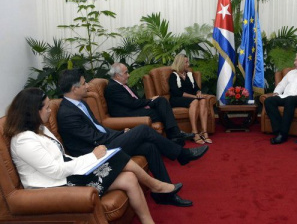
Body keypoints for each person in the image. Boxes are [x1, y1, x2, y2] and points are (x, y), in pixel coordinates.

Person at [5, 88, 184, 224]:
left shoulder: (40, 129)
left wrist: (91, 158)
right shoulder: (23, 140)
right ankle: (156, 186)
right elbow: (56, 171)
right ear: (32, 111)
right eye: (46, 107)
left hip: (67, 173)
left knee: (129, 177)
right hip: (55, 184)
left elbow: (62, 159)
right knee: (118, 157)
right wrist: (92, 157)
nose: (50, 111)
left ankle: (149, 218)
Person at [57, 69, 209, 207]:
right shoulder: (67, 113)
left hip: (102, 144)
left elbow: (100, 128)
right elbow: (94, 138)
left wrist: (122, 132)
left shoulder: (80, 103)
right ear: (74, 88)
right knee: (143, 129)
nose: (87, 86)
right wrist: (122, 134)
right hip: (94, 154)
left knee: (149, 146)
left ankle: (165, 194)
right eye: (84, 84)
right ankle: (183, 154)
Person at [104, 62, 194, 145]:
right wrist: (150, 100)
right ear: (117, 76)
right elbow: (131, 103)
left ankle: (175, 135)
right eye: (126, 73)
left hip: (133, 107)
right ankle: (175, 135)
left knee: (161, 100)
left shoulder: (121, 84)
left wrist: (151, 100)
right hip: (128, 113)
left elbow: (134, 100)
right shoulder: (113, 87)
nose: (128, 75)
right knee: (159, 112)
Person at [169, 54, 211, 144]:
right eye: (186, 62)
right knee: (195, 101)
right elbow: (177, 92)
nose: (188, 64)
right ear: (180, 63)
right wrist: (194, 97)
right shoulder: (173, 76)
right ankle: (194, 132)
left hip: (191, 98)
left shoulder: (189, 74)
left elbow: (196, 87)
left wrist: (198, 93)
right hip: (177, 99)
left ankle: (204, 132)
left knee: (203, 100)